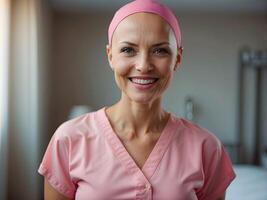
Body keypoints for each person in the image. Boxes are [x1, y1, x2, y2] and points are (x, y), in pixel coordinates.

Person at [38, 0, 236, 199]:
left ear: (177, 59)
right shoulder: (69, 140)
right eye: (128, 50)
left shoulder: (207, 148)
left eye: (159, 50)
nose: (143, 65)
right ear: (110, 56)